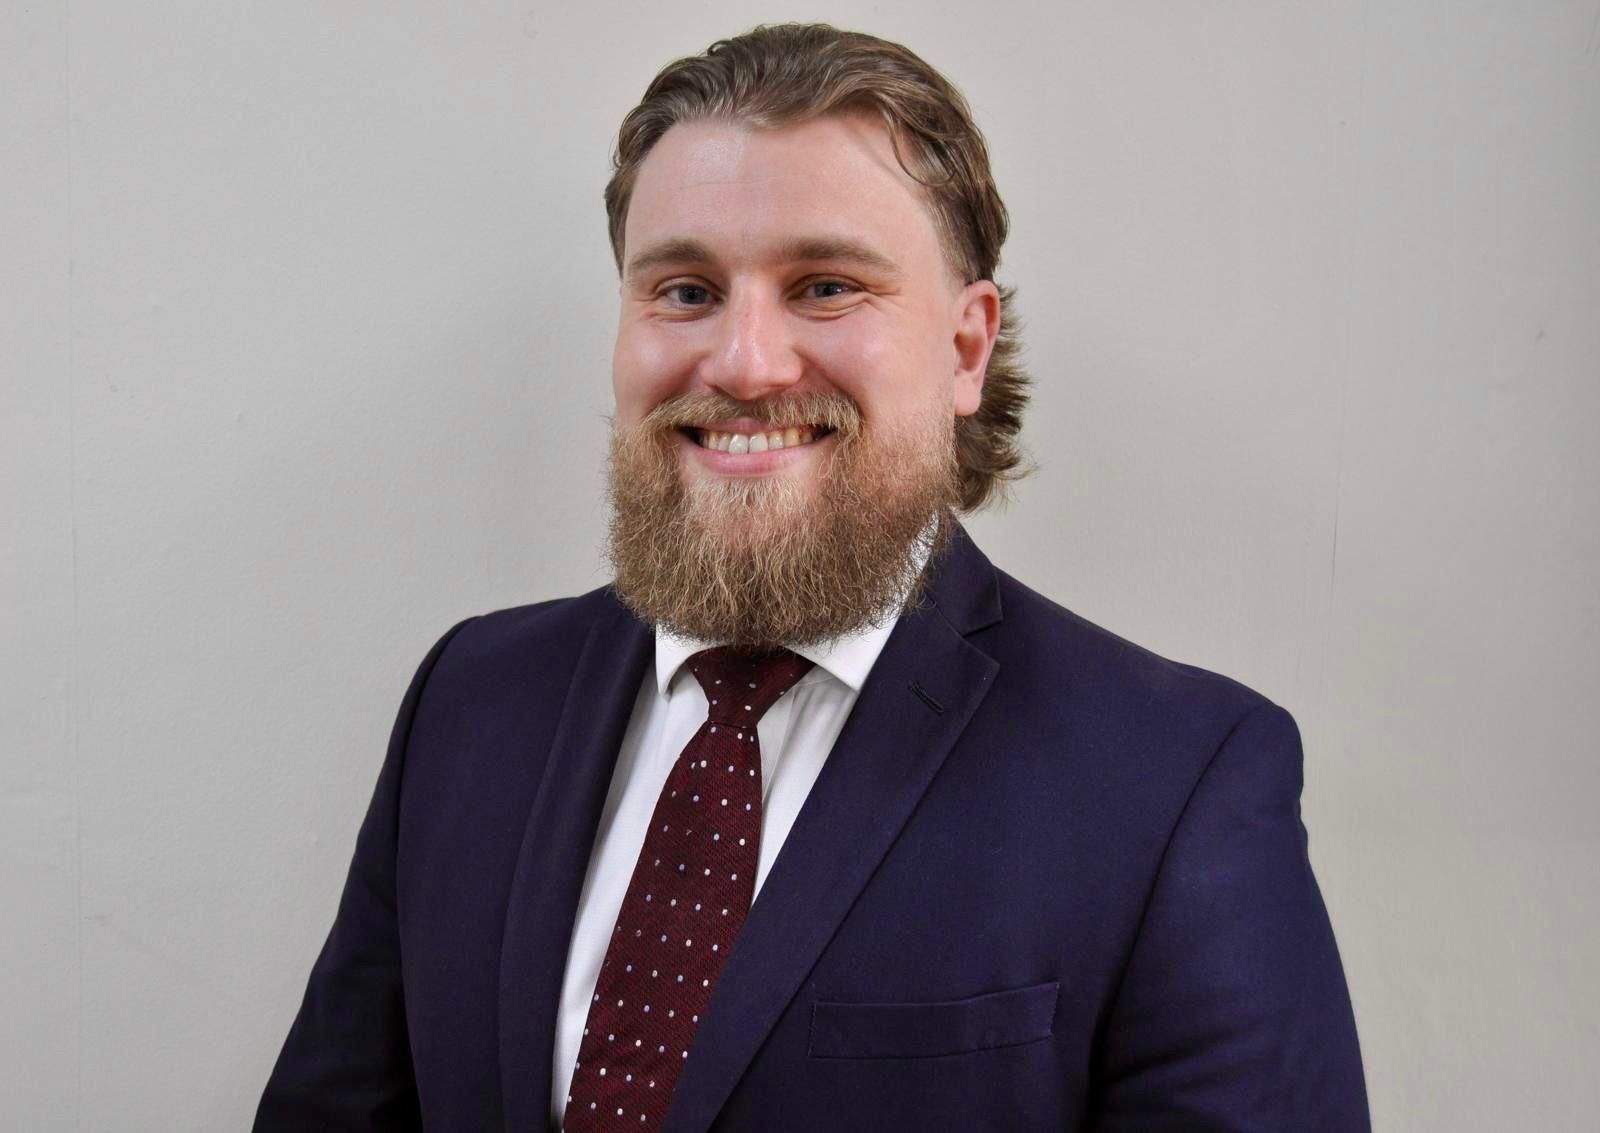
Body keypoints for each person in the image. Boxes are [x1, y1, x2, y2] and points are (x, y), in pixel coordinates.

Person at [256, 23, 1368, 1132]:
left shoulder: (1175, 783)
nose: (744, 363)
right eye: (685, 290)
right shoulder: (469, 700)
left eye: (826, 286)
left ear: (966, 348)